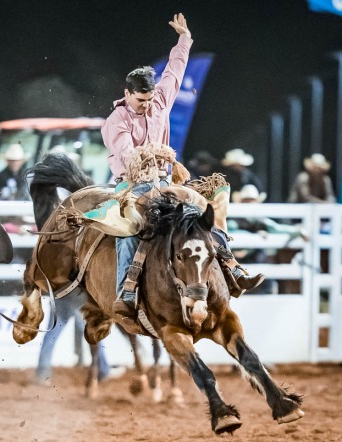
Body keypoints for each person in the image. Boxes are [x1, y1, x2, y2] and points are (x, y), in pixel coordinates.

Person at [101, 13, 263, 318]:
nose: (146, 105)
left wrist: (184, 39)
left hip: (164, 182)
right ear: (127, 94)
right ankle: (126, 289)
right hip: (132, 185)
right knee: (129, 228)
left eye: (149, 99)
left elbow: (175, 71)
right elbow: (126, 155)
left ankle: (232, 268)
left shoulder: (159, 101)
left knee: (202, 216)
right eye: (140, 101)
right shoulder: (117, 120)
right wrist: (152, 156)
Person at [35, 288, 125, 386]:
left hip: (60, 291)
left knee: (52, 334)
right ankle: (103, 370)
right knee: (92, 331)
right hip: (77, 292)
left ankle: (42, 374)